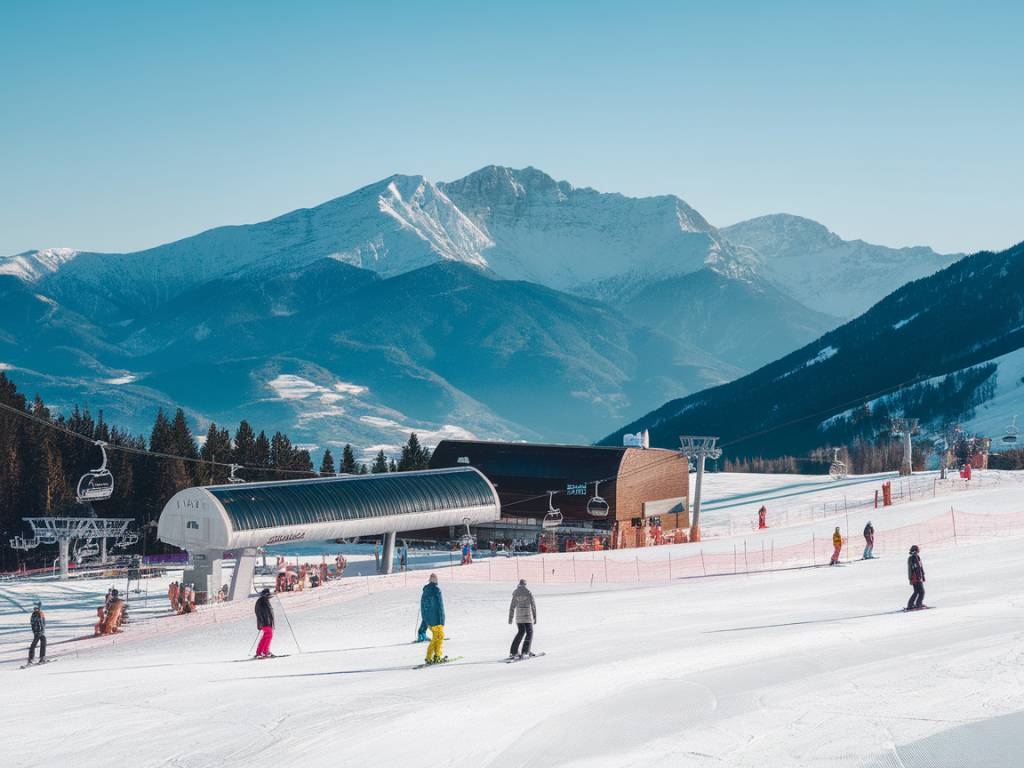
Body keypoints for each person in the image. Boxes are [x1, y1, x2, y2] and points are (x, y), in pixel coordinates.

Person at [420, 574, 446, 664]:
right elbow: (440, 606)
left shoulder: (425, 591)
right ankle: (436, 656)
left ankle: (431, 656)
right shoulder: (436, 590)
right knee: (439, 638)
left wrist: (426, 619)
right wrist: (442, 619)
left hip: (429, 621)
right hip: (437, 619)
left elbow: (423, 606)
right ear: (435, 580)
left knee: (436, 638)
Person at [508, 579, 537, 660]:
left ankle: (513, 652)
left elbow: (512, 606)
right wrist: (535, 617)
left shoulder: (516, 593)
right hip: (527, 617)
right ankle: (525, 651)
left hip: (519, 618)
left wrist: (510, 618)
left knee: (521, 632)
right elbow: (533, 606)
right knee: (529, 633)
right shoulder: (528, 592)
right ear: (525, 584)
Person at [255, 588, 275, 658]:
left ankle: (262, 651)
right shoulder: (261, 601)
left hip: (267, 622)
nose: (269, 597)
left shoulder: (265, 601)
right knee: (268, 635)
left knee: (267, 635)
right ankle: (262, 651)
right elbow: (259, 612)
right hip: (264, 622)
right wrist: (263, 621)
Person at [907, 545, 926, 610]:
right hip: (915, 577)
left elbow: (920, 567)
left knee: (917, 591)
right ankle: (917, 604)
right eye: (918, 550)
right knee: (921, 592)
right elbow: (915, 568)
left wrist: (923, 575)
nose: (919, 551)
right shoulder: (913, 558)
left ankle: (913, 604)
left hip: (917, 577)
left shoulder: (916, 557)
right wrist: (918, 577)